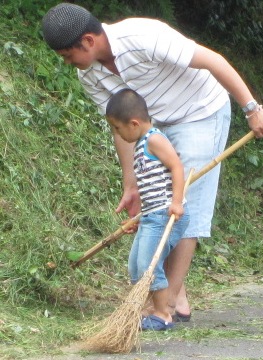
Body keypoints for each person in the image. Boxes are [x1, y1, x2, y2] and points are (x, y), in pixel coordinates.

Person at [41, 3, 263, 321]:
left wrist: (252, 108)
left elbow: (213, 61)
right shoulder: (90, 75)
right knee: (156, 207)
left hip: (200, 112)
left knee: (184, 206)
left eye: (68, 55)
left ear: (88, 41)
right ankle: (172, 294)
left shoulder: (142, 36)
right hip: (154, 128)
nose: (69, 64)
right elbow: (122, 127)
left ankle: (165, 308)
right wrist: (131, 182)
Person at [105, 88, 189, 330]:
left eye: (117, 129)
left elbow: (177, 167)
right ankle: (148, 310)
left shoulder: (154, 139)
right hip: (152, 215)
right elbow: (151, 187)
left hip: (166, 214)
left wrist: (176, 201)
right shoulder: (141, 145)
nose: (116, 134)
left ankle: (163, 314)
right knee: (135, 266)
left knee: (149, 265)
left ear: (133, 123)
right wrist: (139, 218)